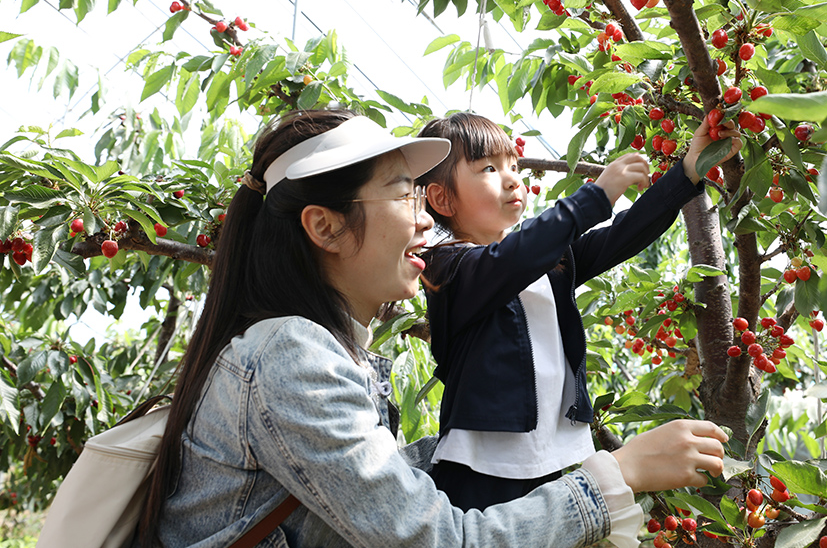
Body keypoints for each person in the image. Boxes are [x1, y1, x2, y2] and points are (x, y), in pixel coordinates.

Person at [135, 108, 730, 548]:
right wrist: (616, 472)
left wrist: (683, 176)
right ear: (325, 227)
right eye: (405, 194)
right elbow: (438, 541)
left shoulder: (336, 355)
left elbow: (354, 497)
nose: (424, 219)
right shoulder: (295, 355)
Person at [416, 112, 741, 512]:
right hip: (479, 468)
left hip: (545, 459)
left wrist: (690, 170)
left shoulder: (549, 263)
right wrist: (595, 196)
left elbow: (622, 234)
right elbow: (511, 261)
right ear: (442, 198)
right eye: (488, 168)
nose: (512, 178)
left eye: (513, 166)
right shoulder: (449, 270)